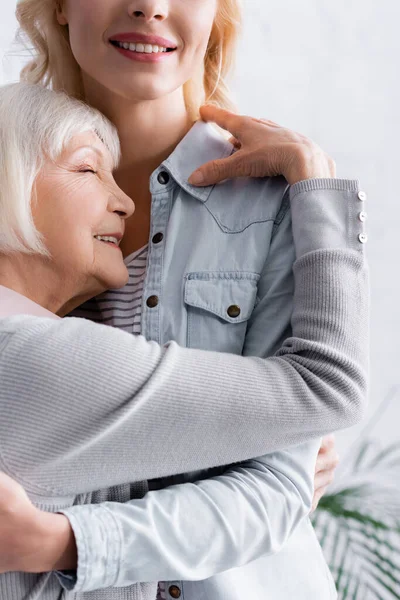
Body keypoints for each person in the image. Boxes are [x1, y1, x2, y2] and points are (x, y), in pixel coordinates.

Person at [0, 0, 368, 598]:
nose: (149, 6)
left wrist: (65, 540)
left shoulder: (282, 203)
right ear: (61, 6)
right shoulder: (12, 154)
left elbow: (277, 484)